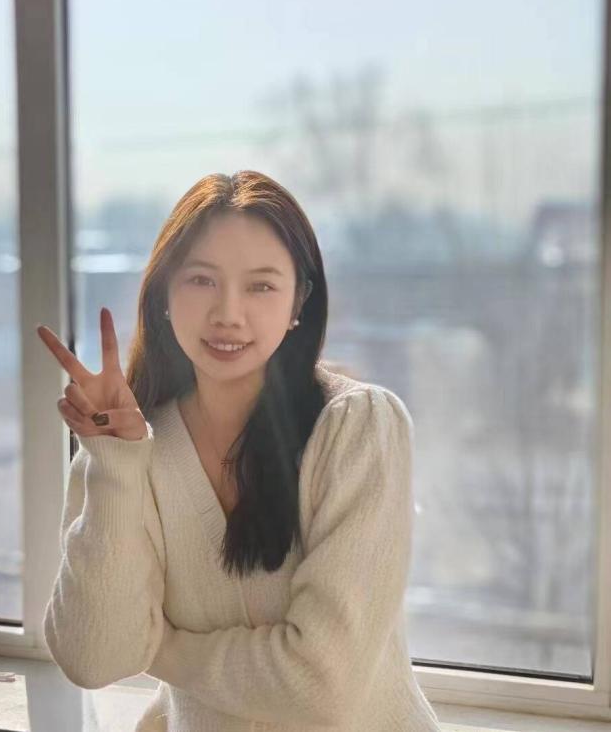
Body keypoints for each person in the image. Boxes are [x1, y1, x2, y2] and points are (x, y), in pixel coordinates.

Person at [38, 169, 442, 731]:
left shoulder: (358, 427)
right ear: (164, 294)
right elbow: (95, 658)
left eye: (261, 286)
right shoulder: (126, 450)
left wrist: (161, 647)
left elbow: (322, 683)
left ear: (299, 302)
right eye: (202, 280)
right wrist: (114, 464)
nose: (228, 313)